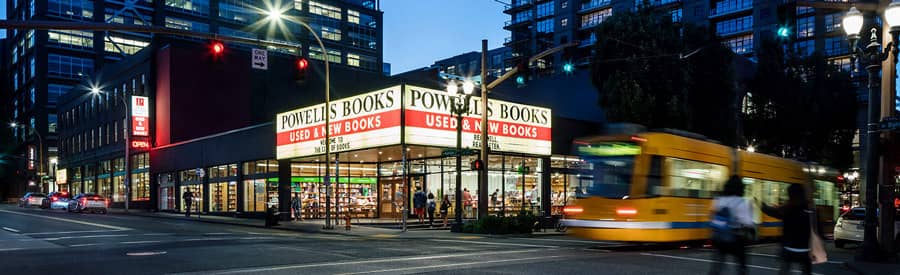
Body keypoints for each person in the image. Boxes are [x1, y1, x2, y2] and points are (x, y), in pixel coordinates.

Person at [762, 184, 815, 275]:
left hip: (788, 248)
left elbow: (772, 212)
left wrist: (763, 206)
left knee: (784, 270)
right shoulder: (810, 209)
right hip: (805, 250)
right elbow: (816, 229)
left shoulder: (787, 208)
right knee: (806, 271)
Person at [709, 176, 755, 275]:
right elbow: (748, 223)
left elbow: (712, 215)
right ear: (741, 188)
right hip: (736, 239)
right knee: (741, 265)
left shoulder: (718, 200)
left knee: (717, 265)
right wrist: (753, 234)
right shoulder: (742, 202)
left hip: (719, 238)